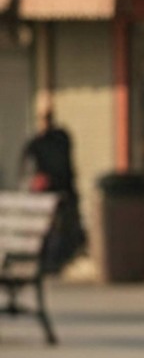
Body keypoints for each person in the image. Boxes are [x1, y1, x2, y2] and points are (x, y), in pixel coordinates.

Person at [19, 103, 86, 272]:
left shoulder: (60, 139)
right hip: (46, 195)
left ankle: (57, 260)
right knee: (48, 230)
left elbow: (66, 168)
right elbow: (26, 169)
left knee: (63, 229)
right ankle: (49, 260)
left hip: (63, 193)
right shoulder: (37, 143)